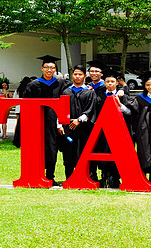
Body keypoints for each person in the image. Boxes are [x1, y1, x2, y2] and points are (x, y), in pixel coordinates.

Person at [22, 55, 71, 185]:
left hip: (52, 122)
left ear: (55, 69)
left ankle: (49, 176)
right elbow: (26, 105)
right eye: (47, 67)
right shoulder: (33, 85)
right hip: (37, 122)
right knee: (36, 149)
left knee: (51, 149)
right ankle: (35, 174)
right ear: (42, 68)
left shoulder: (60, 83)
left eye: (52, 67)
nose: (49, 70)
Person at [125, 71, 151, 184]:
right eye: (147, 85)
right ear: (144, 86)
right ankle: (143, 178)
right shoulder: (139, 99)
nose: (150, 87)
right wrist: (119, 105)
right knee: (143, 153)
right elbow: (131, 112)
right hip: (143, 131)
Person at [94, 68, 132, 188]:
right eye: (107, 81)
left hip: (118, 131)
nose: (110, 84)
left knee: (118, 155)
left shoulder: (123, 96)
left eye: (112, 81)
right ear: (104, 83)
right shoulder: (99, 96)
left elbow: (129, 112)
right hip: (103, 131)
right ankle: (104, 176)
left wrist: (119, 104)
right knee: (103, 153)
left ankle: (116, 178)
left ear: (117, 83)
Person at [58, 65, 97, 179]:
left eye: (80, 74)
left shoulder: (89, 92)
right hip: (68, 129)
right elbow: (60, 109)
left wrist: (79, 120)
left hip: (84, 129)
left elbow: (91, 109)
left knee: (83, 152)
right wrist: (59, 125)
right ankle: (69, 178)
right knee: (68, 153)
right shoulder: (66, 91)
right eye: (75, 74)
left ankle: (84, 178)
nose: (77, 76)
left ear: (85, 76)